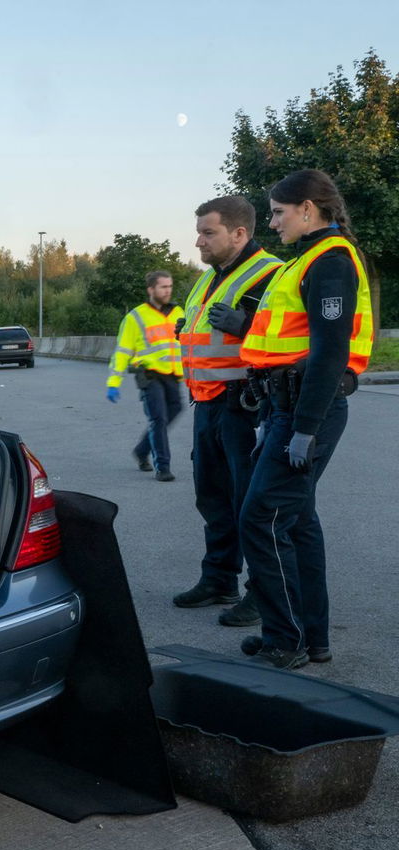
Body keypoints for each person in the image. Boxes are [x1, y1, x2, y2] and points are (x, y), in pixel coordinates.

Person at [236, 169, 372, 669]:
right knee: (297, 522)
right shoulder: (307, 261)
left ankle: (284, 639)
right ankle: (311, 637)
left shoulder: (331, 262)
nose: (271, 222)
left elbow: (330, 354)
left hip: (306, 410)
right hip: (286, 407)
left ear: (308, 209)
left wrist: (304, 430)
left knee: (262, 517)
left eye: (277, 212)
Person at [170, 197, 282, 628]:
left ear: (239, 233)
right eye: (198, 231)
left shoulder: (271, 274)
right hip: (209, 402)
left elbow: (291, 336)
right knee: (213, 495)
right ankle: (219, 579)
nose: (198, 241)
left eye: (208, 232)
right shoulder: (208, 278)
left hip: (247, 403)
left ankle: (263, 593)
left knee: (250, 502)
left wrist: (246, 326)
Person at [107, 271, 185, 481]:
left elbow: (186, 344)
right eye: (163, 287)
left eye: (170, 286)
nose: (168, 290)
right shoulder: (135, 317)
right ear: (151, 289)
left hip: (172, 374)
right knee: (158, 418)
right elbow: (122, 351)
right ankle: (163, 467)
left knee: (175, 410)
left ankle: (142, 451)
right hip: (148, 375)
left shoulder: (178, 312)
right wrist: (114, 382)